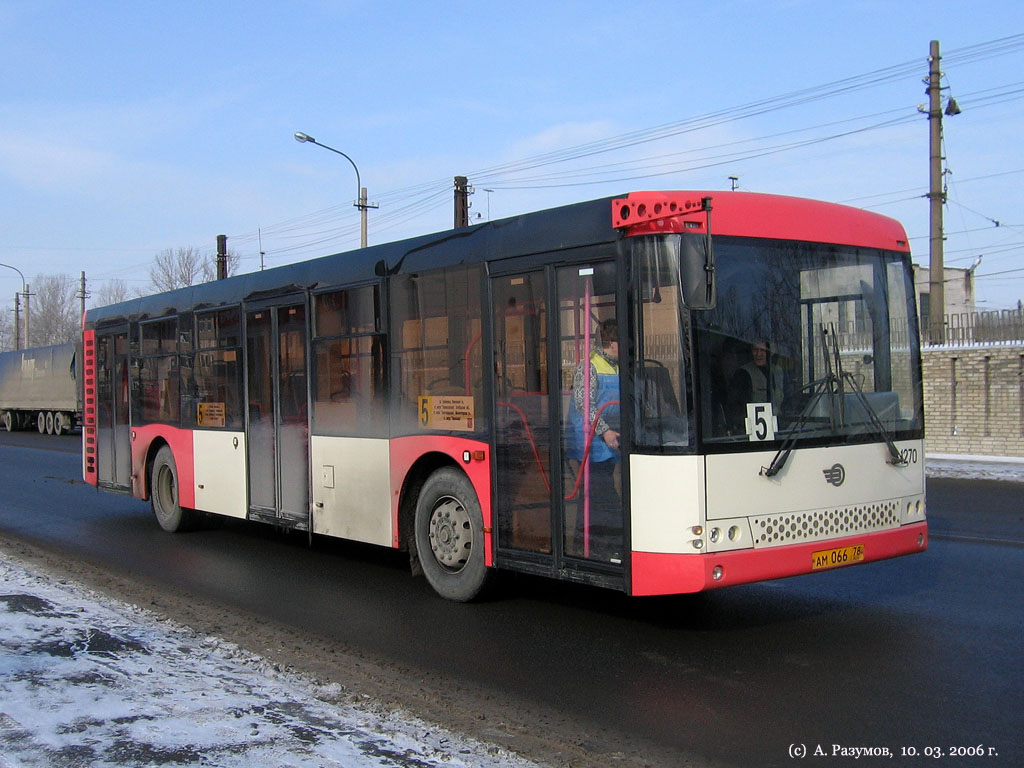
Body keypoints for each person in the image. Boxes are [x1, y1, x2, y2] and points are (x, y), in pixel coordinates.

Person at [568, 318, 621, 561]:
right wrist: (604, 430)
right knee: (604, 493)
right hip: (590, 438)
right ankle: (610, 543)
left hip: (607, 437)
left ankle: (583, 542)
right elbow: (583, 404)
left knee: (592, 493)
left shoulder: (616, 365)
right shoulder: (588, 367)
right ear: (611, 342)